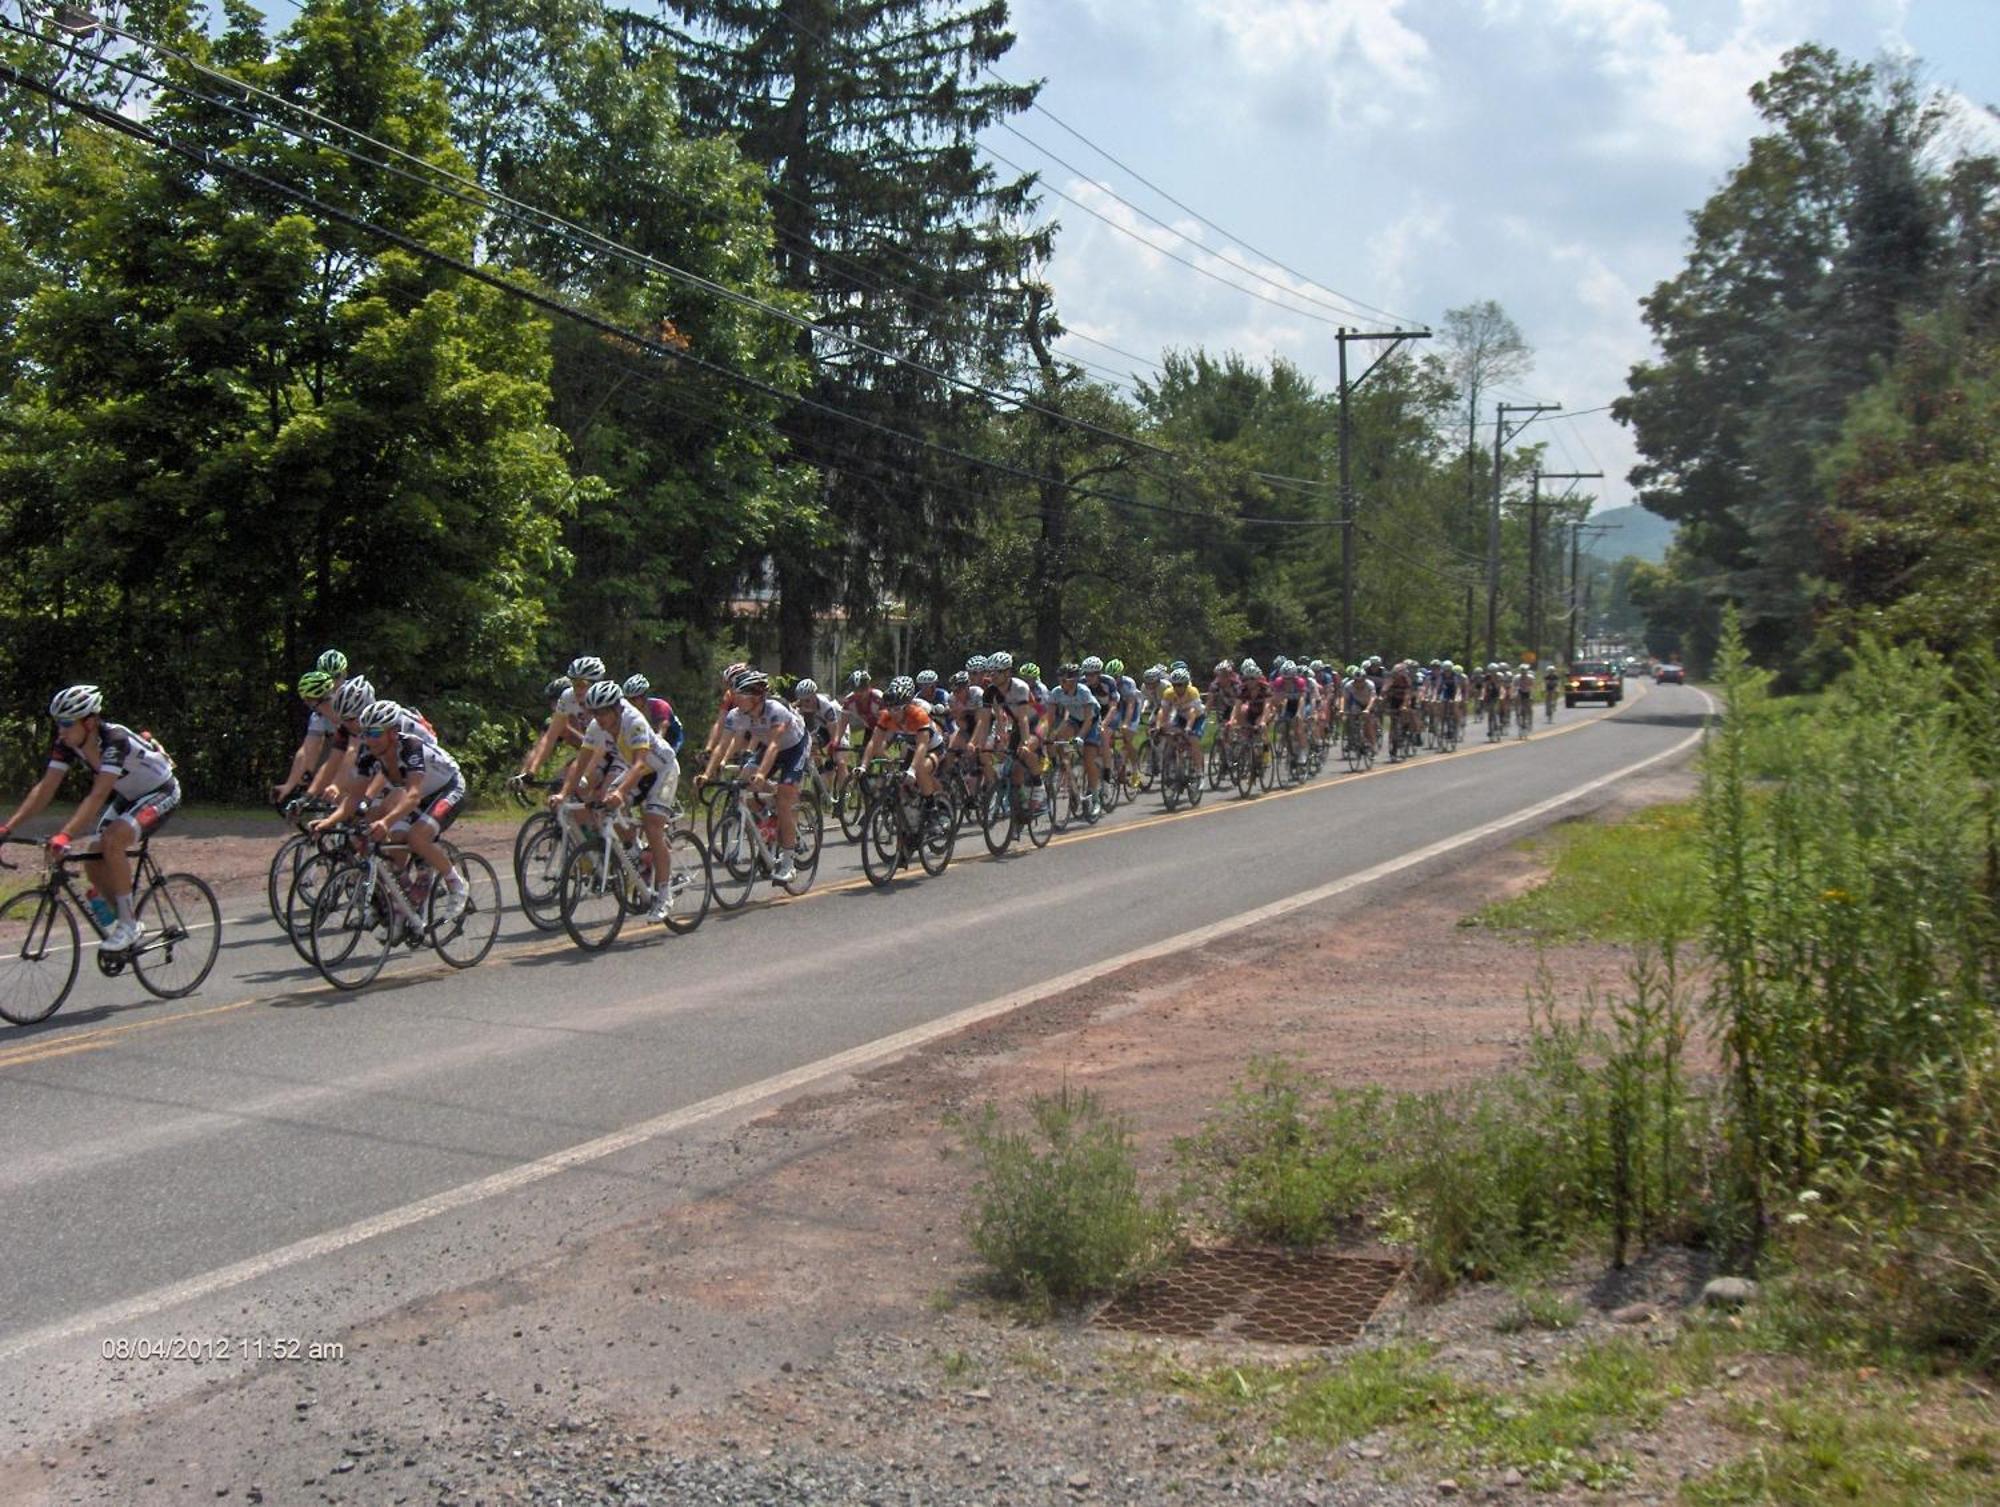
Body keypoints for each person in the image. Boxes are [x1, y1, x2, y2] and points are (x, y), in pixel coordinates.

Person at [0, 685, 180, 952]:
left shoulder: (114, 741)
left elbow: (98, 795)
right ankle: (125, 919)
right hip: (129, 797)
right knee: (94, 861)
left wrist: (65, 835)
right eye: (57, 723)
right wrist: (7, 828)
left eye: (66, 723)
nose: (60, 731)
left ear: (90, 722)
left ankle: (128, 925)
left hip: (160, 791)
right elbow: (45, 789)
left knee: (112, 841)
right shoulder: (68, 743)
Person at [317, 697, 469, 921]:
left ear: (392, 732)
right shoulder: (368, 755)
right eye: (367, 733)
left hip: (448, 787)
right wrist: (328, 823)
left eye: (376, 733)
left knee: (417, 837)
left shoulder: (411, 747)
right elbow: (354, 798)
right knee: (395, 842)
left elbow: (414, 795)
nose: (371, 739)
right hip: (418, 793)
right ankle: (404, 902)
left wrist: (385, 821)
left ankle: (456, 884)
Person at [555, 680, 682, 922]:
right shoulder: (596, 727)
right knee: (602, 810)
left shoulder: (633, 721)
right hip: (638, 772)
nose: (599, 718)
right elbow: (581, 762)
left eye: (604, 712)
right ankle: (637, 853)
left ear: (617, 708)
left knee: (653, 825)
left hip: (661, 769)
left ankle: (665, 894)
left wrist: (620, 793)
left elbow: (640, 763)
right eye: (595, 713)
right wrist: (563, 793)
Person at [701, 668, 809, 884]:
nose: (736, 698)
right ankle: (768, 818)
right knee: (743, 784)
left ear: (757, 696)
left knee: (785, 798)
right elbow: (723, 745)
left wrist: (761, 774)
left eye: (741, 695)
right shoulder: (737, 715)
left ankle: (789, 863)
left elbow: (775, 746)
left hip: (794, 747)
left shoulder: (776, 710)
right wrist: (706, 774)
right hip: (768, 747)